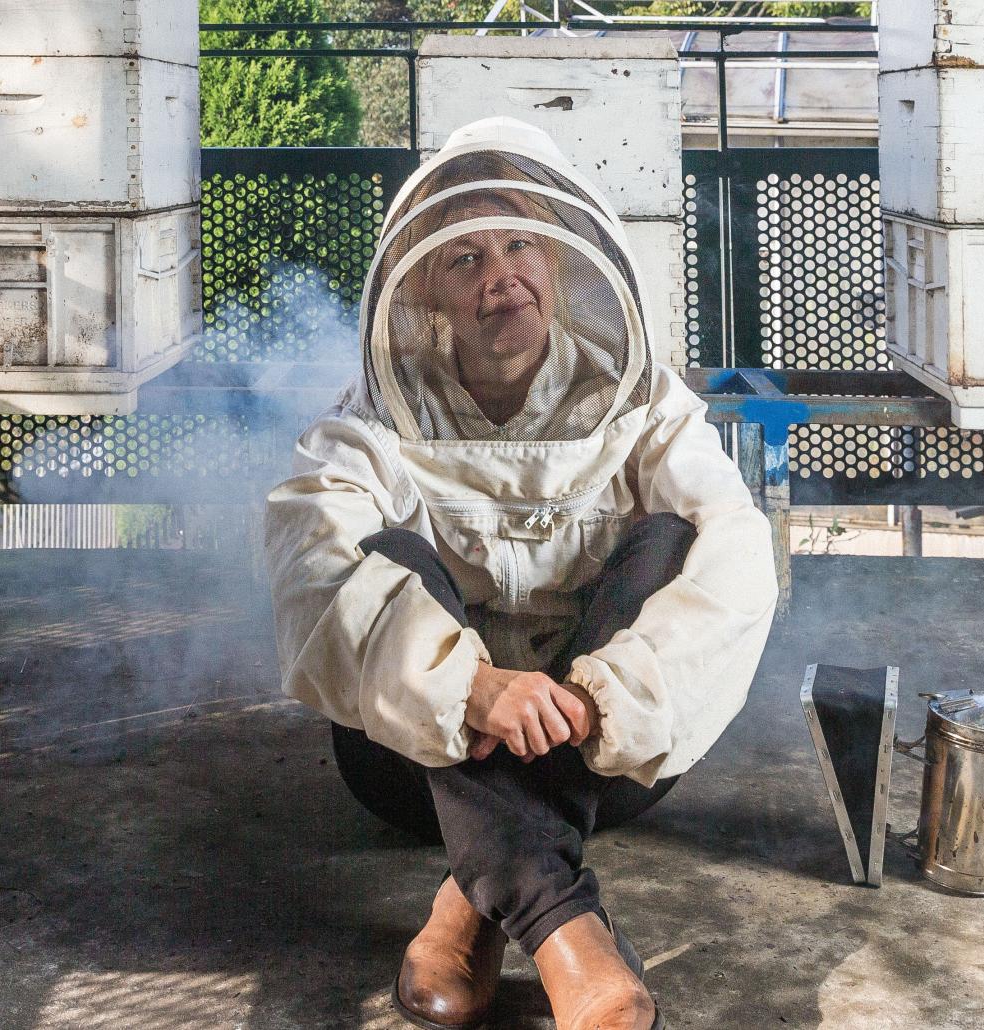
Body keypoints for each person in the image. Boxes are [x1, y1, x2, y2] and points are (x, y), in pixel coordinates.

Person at [264, 117, 778, 1030]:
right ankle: (564, 927)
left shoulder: (642, 405)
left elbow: (738, 547)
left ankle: (470, 906)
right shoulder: (376, 418)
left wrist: (599, 696)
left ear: (560, 260)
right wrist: (467, 688)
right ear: (426, 289)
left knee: (674, 537)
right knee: (384, 555)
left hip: (605, 750)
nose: (499, 275)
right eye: (463, 259)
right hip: (407, 768)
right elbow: (309, 554)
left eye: (519, 244)